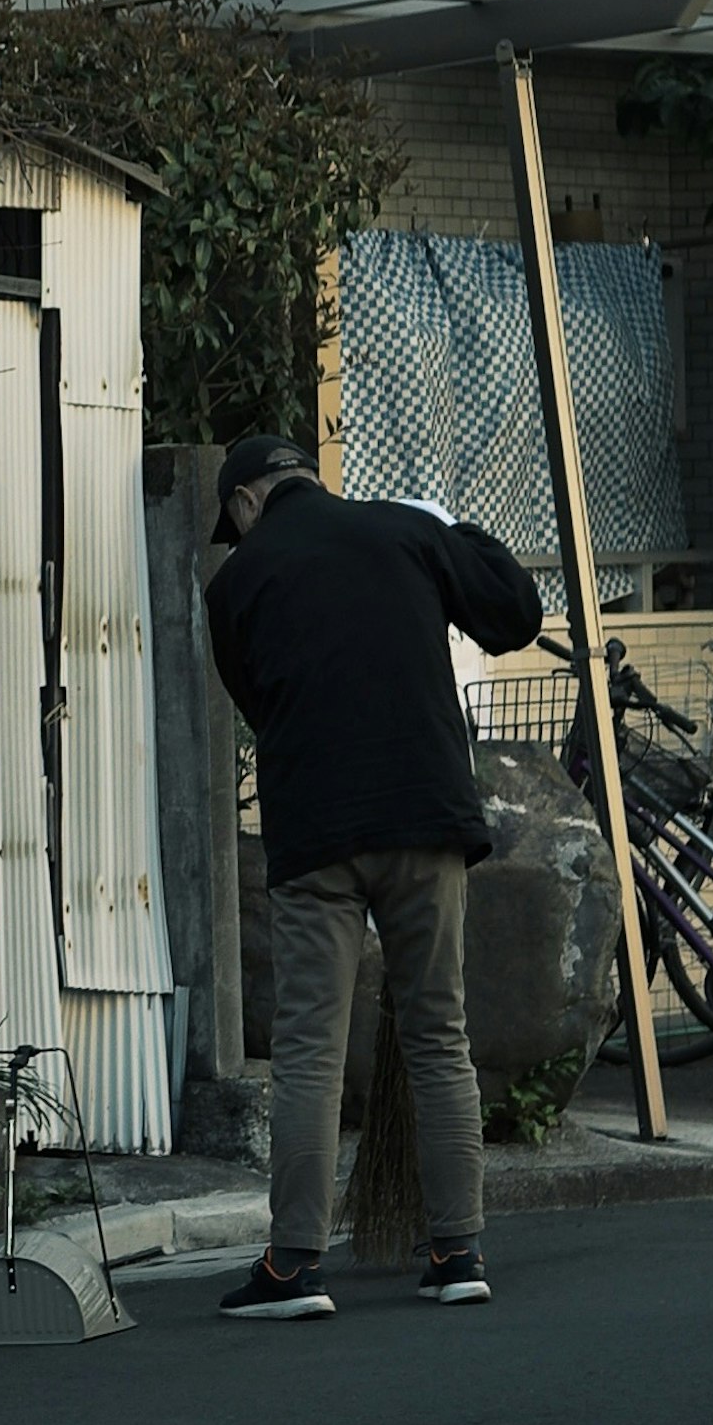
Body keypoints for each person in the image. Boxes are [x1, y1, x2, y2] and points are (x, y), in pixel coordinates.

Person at [201, 430, 541, 1319]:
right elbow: (516, 613)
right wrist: (453, 526)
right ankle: (458, 1249)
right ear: (309, 479)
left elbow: (258, 699)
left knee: (310, 1049)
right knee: (439, 1032)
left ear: (246, 502)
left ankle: (293, 1268)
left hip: (316, 835)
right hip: (426, 816)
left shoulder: (235, 583)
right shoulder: (405, 532)